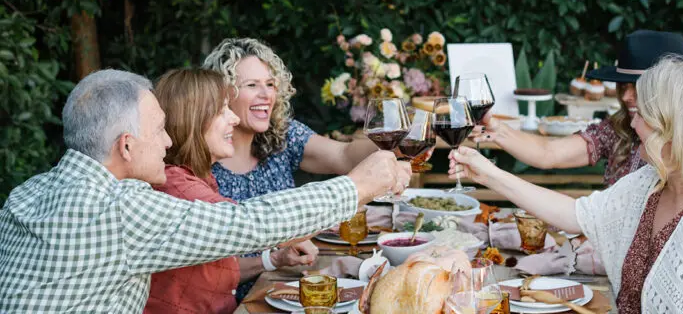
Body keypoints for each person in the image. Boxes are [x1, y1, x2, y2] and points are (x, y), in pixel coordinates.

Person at [0, 69, 410, 313]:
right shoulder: (116, 206)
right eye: (159, 131)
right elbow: (249, 223)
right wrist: (358, 186)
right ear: (126, 146)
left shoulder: (25, 194)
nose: (167, 143)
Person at [450, 57, 683, 313]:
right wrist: (487, 173)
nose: (631, 123)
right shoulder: (652, 184)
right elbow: (575, 214)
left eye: (641, 115)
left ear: (672, 126)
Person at [202, 37, 382, 298]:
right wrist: (272, 259)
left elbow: (344, 156)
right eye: (252, 85)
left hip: (287, 289)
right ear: (222, 94)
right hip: (233, 303)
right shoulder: (200, 160)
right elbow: (202, 273)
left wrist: (395, 140)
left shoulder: (281, 136)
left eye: (271, 84)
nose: (266, 95)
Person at [144, 68, 320, 314]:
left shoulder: (195, 178)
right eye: (221, 111)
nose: (234, 119)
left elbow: (214, 274)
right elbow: (252, 225)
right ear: (193, 121)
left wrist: (274, 259)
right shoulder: (177, 187)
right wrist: (357, 189)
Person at [474, 29, 683, 186]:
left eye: (639, 87)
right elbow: (550, 153)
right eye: (623, 85)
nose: (627, 95)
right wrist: (496, 128)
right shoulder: (618, 129)